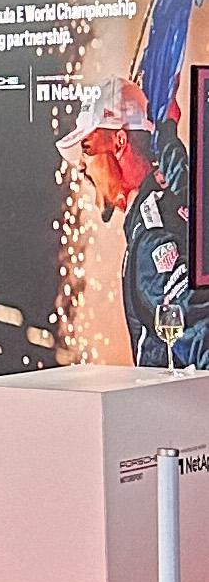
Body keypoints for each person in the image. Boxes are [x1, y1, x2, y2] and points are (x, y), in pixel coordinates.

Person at [61, 78, 209, 367]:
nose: (81, 165)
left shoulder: (150, 239)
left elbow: (200, 333)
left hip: (174, 410)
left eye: (87, 148)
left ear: (119, 142)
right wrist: (165, 129)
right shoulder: (177, 196)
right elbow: (181, 174)